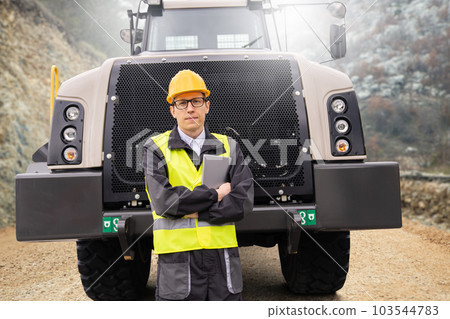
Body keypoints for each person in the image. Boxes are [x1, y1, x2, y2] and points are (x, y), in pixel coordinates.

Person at [142, 69, 254, 301]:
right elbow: (165, 203)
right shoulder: (154, 148)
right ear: (172, 110)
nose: (190, 109)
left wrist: (189, 211)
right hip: (177, 260)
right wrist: (216, 194)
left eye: (196, 101)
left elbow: (243, 204)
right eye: (182, 103)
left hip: (222, 258)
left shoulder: (229, 146)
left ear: (207, 106)